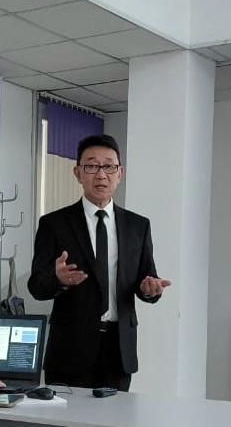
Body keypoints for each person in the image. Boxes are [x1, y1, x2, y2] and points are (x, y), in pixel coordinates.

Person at [28, 134, 171, 391]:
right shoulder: (54, 224)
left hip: (119, 350)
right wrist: (58, 279)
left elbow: (146, 279)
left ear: (120, 173)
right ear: (78, 173)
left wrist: (151, 290)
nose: (101, 174)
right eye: (92, 166)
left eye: (109, 166)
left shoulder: (138, 226)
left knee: (116, 413)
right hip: (69, 351)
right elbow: (37, 286)